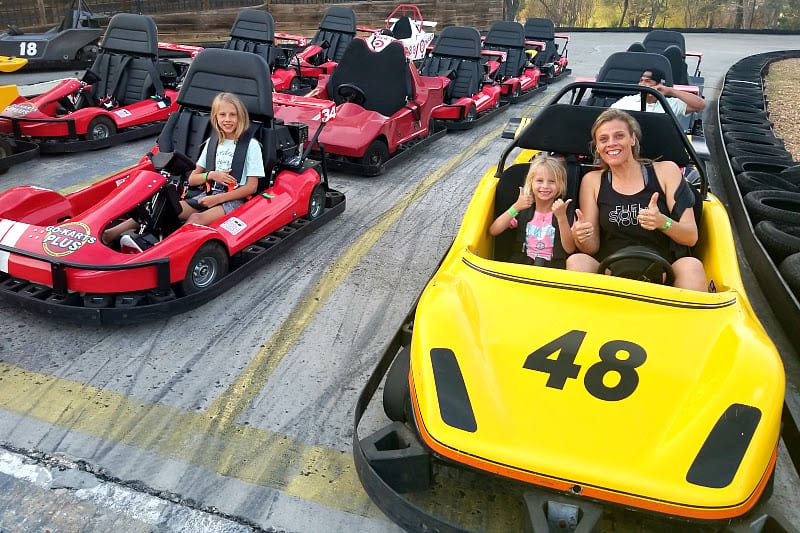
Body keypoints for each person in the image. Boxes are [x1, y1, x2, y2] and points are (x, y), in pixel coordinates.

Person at [104, 92, 265, 252]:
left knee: (196, 218)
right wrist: (211, 175)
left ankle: (160, 251)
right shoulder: (212, 143)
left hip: (233, 200)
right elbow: (193, 179)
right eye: (222, 114)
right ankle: (109, 235)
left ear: (241, 117)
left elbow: (251, 187)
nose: (227, 119)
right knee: (161, 208)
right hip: (207, 195)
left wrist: (219, 198)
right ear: (215, 117)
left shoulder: (251, 146)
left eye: (233, 115)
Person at [566, 108, 707, 291]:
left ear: (633, 139)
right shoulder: (592, 181)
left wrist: (662, 222)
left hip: (663, 270)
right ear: (597, 147)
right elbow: (592, 248)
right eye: (603, 139)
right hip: (609, 270)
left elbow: (691, 237)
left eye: (619, 136)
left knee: (692, 266)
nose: (611, 144)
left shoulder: (665, 171)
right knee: (577, 261)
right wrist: (581, 237)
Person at [489, 153, 576, 268]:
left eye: (552, 181)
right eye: (539, 181)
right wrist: (516, 207)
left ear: (561, 185)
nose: (545, 186)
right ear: (531, 183)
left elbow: (569, 249)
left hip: (553, 267)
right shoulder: (523, 210)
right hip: (523, 264)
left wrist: (561, 218)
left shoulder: (564, 211)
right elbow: (493, 230)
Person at [611, 68, 705, 117]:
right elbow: (607, 116)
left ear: (659, 84)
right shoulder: (627, 101)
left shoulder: (670, 104)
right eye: (641, 80)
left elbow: (700, 105)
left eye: (647, 81)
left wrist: (670, 91)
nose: (642, 84)